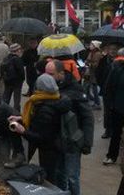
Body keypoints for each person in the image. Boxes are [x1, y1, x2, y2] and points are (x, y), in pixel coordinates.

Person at [10, 74, 70, 186]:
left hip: (50, 147)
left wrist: (23, 131)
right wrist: (22, 118)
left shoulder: (45, 107)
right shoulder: (53, 98)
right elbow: (38, 120)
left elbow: (42, 137)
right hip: (54, 144)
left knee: (49, 178)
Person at [45, 60, 94, 195]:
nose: (47, 77)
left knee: (72, 176)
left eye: (51, 74)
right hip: (57, 141)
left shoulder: (76, 90)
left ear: (61, 73)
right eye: (46, 73)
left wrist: (87, 142)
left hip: (73, 141)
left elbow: (88, 117)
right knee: (60, 174)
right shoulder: (50, 88)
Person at [104, 47, 124, 165]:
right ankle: (112, 155)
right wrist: (111, 105)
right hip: (118, 107)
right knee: (116, 134)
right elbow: (109, 88)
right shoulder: (117, 70)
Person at [98, 46, 117, 138]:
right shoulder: (103, 61)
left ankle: (116, 130)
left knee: (117, 111)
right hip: (106, 90)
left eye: (115, 49)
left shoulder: (120, 61)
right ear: (107, 50)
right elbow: (99, 73)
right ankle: (108, 130)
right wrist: (102, 85)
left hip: (117, 91)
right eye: (111, 49)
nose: (113, 51)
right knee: (107, 112)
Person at [1, 43, 26, 111]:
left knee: (6, 97)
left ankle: (3, 110)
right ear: (17, 50)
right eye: (19, 49)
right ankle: (16, 112)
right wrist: (22, 79)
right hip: (17, 82)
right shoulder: (17, 59)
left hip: (7, 81)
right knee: (16, 100)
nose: (20, 51)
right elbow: (21, 71)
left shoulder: (6, 58)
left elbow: (2, 69)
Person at [85, 40, 103, 109]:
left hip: (94, 74)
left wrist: (89, 64)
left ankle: (97, 104)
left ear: (95, 46)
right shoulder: (91, 52)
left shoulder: (97, 54)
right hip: (90, 73)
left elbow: (95, 65)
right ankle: (92, 100)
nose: (90, 46)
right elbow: (88, 60)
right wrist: (87, 62)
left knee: (94, 89)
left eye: (91, 45)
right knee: (88, 87)